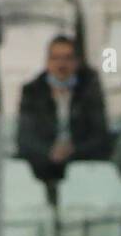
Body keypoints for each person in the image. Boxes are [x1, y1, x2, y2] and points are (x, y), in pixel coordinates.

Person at [16, 36, 112, 191]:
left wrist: (73, 150)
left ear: (77, 61)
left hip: (82, 163)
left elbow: (100, 135)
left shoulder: (89, 89)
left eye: (67, 58)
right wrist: (50, 151)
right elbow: (25, 138)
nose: (61, 64)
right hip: (43, 165)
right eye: (55, 58)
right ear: (47, 62)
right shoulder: (32, 91)